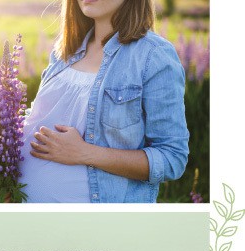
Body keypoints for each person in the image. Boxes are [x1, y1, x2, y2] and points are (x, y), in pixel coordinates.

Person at [19, 0, 190, 203]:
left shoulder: (153, 56)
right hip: (28, 217)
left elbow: (172, 158)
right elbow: (38, 120)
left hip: (96, 226)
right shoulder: (64, 51)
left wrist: (85, 153)